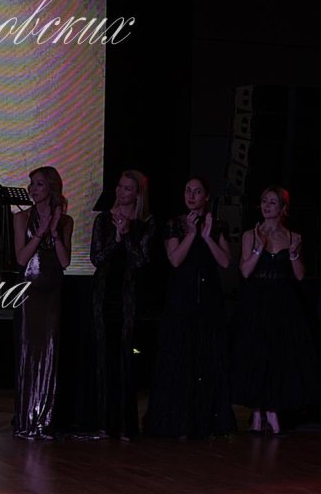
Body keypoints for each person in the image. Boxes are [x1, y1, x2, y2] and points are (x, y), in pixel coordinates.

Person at [144, 177, 235, 439]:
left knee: (207, 357)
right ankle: (177, 421)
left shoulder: (217, 225)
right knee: (180, 358)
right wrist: (193, 234)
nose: (191, 195)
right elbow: (175, 259)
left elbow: (225, 262)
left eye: (197, 191)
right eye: (187, 191)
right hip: (181, 300)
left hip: (208, 300)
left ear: (207, 196)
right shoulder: (175, 224)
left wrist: (206, 236)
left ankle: (206, 421)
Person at [232, 186, 319, 436]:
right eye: (264, 201)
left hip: (283, 303)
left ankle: (271, 410)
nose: (266, 206)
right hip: (257, 302)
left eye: (272, 202)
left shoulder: (293, 236)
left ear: (283, 208)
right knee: (256, 354)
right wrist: (259, 247)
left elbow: (299, 275)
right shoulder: (250, 234)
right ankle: (258, 414)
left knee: (277, 356)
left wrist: (293, 255)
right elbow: (245, 271)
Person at [86, 170, 155, 440]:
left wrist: (126, 235)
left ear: (137, 194)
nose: (121, 191)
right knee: (104, 357)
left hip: (129, 294)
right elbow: (97, 258)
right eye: (120, 186)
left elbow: (141, 260)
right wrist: (116, 238)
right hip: (104, 293)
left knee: (126, 356)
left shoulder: (146, 223)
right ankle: (104, 423)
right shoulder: (103, 220)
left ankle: (127, 425)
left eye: (127, 188)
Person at [11, 166, 73, 440]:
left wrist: (55, 231)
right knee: (28, 351)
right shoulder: (22, 217)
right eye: (32, 184)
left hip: (52, 289)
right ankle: (25, 419)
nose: (32, 189)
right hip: (29, 290)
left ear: (51, 188)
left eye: (38, 184)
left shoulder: (66, 221)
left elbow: (65, 261)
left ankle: (44, 420)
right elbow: (21, 258)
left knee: (49, 351)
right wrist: (41, 232)